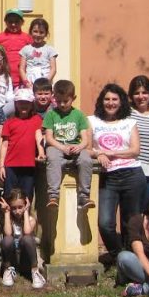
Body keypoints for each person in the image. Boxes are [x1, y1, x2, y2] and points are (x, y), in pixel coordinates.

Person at [88, 83, 145, 264]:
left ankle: (131, 260)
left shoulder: (129, 122)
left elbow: (135, 150)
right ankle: (118, 254)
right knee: (105, 223)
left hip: (132, 175)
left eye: (114, 99)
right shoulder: (92, 121)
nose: (110, 103)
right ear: (101, 101)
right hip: (107, 178)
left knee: (131, 223)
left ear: (121, 102)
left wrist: (111, 153)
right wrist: (99, 153)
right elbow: (87, 149)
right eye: (107, 99)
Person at [42, 79, 94, 210]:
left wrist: (80, 147)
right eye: (59, 101)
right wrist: (62, 148)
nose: (62, 104)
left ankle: (84, 196)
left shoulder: (79, 115)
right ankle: (53, 195)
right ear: (54, 98)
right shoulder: (51, 114)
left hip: (75, 146)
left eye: (66, 101)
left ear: (73, 98)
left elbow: (85, 138)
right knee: (52, 157)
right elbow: (49, 138)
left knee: (86, 159)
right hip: (57, 146)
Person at [0, 88, 42, 202]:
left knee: (27, 197)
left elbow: (38, 137)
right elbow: (4, 144)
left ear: (32, 104)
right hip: (10, 165)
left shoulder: (37, 119)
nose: (24, 106)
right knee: (9, 196)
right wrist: (2, 166)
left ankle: (26, 219)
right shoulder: (9, 122)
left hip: (29, 165)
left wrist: (41, 152)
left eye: (27, 103)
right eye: (21, 103)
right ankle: (8, 219)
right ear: (16, 104)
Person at [0, 187, 46, 289]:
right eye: (14, 208)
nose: (17, 211)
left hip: (25, 259)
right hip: (12, 259)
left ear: (25, 205)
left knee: (27, 238)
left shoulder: (30, 219)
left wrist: (26, 212)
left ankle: (35, 271)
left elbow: (27, 232)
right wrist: (6, 213)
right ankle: (8, 270)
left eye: (20, 207)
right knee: (7, 239)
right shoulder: (7, 219)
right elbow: (7, 233)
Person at [128, 75, 149, 210]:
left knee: (148, 212)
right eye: (137, 93)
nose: (141, 96)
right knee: (133, 211)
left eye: (144, 92)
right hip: (134, 169)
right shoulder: (127, 113)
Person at [0, 8, 31, 84]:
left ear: (22, 22)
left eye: (16, 22)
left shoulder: (27, 38)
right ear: (5, 22)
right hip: (4, 79)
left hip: (23, 80)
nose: (13, 24)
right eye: (10, 22)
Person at [19, 18, 58, 86]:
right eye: (35, 31)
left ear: (46, 34)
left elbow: (53, 69)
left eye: (41, 32)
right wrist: (26, 83)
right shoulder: (25, 49)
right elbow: (22, 68)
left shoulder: (50, 49)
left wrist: (46, 82)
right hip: (30, 83)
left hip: (45, 82)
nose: (38, 35)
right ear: (30, 32)